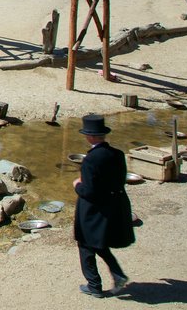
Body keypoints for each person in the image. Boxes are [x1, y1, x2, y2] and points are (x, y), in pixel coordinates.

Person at [73, 114, 134, 298]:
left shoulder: (91, 159)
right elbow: (118, 180)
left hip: (94, 209)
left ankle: (94, 286)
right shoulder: (117, 154)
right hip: (114, 205)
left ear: (90, 136)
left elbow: (89, 191)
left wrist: (77, 185)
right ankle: (117, 275)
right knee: (98, 243)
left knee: (85, 244)